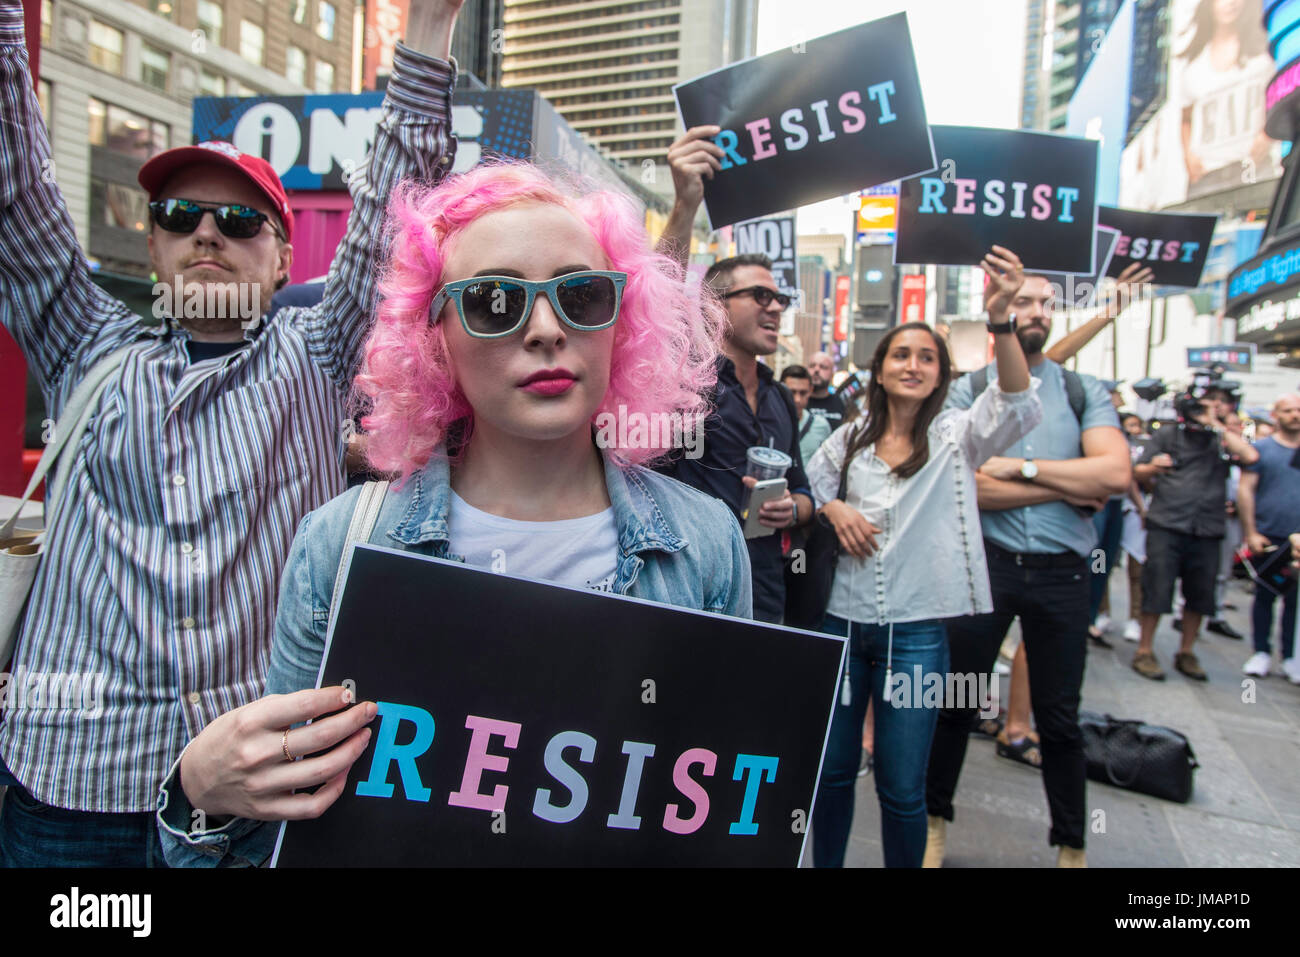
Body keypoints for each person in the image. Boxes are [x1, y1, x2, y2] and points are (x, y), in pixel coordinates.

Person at [155, 161, 751, 866]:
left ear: (623, 322)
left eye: (582, 295)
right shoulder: (342, 542)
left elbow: (721, 815)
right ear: (433, 336)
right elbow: (287, 826)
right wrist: (199, 793)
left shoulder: (705, 542)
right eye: (495, 300)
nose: (545, 329)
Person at [0, 0, 465, 867]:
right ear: (152, 246)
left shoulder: (315, 353)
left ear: (285, 257)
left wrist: (430, 30)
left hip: (250, 789)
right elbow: (16, 192)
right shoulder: (84, 340)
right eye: (180, 217)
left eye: (241, 220)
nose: (208, 231)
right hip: (72, 786)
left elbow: (392, 201)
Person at [807, 247, 1042, 868]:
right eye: (901, 355)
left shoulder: (957, 436)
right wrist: (833, 510)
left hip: (915, 638)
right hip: (841, 629)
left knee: (902, 789)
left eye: (927, 357)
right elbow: (806, 492)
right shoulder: (846, 439)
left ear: (940, 374)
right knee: (829, 777)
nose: (913, 365)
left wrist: (1000, 320)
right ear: (879, 370)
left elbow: (1017, 402)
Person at [923, 271, 1132, 869]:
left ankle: (1071, 845)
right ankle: (934, 822)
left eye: (1044, 302)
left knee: (1061, 717)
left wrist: (1020, 470)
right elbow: (961, 486)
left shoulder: (1083, 389)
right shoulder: (969, 390)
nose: (1035, 310)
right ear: (999, 313)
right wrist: (1065, 483)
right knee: (955, 703)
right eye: (1021, 302)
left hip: (1065, 574)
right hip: (985, 567)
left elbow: (1114, 476)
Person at [1131, 394, 1258, 681]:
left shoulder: (1221, 436)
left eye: (1216, 402)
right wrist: (1154, 468)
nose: (1207, 407)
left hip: (1208, 526)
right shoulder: (1167, 434)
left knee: (1201, 593)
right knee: (1156, 587)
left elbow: (1250, 457)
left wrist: (1215, 423)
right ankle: (1144, 649)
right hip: (1167, 522)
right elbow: (1136, 471)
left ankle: (1186, 651)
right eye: (1203, 403)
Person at [1239, 393, 1300, 682]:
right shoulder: (1260, 450)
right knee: (1265, 593)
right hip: (1269, 534)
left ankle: (1290, 656)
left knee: (1295, 600)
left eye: (1298, 410)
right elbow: (1246, 490)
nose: (1295, 415)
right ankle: (1261, 651)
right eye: (1288, 410)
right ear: (1276, 414)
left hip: (1298, 538)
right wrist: (1251, 531)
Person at [781, 364, 833, 465]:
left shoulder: (821, 426)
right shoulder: (770, 422)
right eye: (792, 392)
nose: (797, 399)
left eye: (803, 393)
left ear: (810, 391)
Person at [807, 351, 848, 429]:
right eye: (812, 366)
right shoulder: (797, 401)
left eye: (823, 367)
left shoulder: (842, 403)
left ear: (832, 374)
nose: (816, 370)